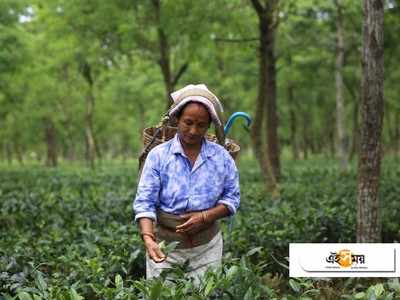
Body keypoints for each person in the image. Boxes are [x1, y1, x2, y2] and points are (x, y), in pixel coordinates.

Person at [133, 84, 240, 280]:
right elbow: (144, 202)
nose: (193, 130)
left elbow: (232, 198)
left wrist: (206, 216)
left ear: (209, 125)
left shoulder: (221, 157)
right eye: (188, 122)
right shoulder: (158, 156)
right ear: (177, 120)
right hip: (164, 249)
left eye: (200, 125)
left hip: (207, 248)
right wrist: (148, 238)